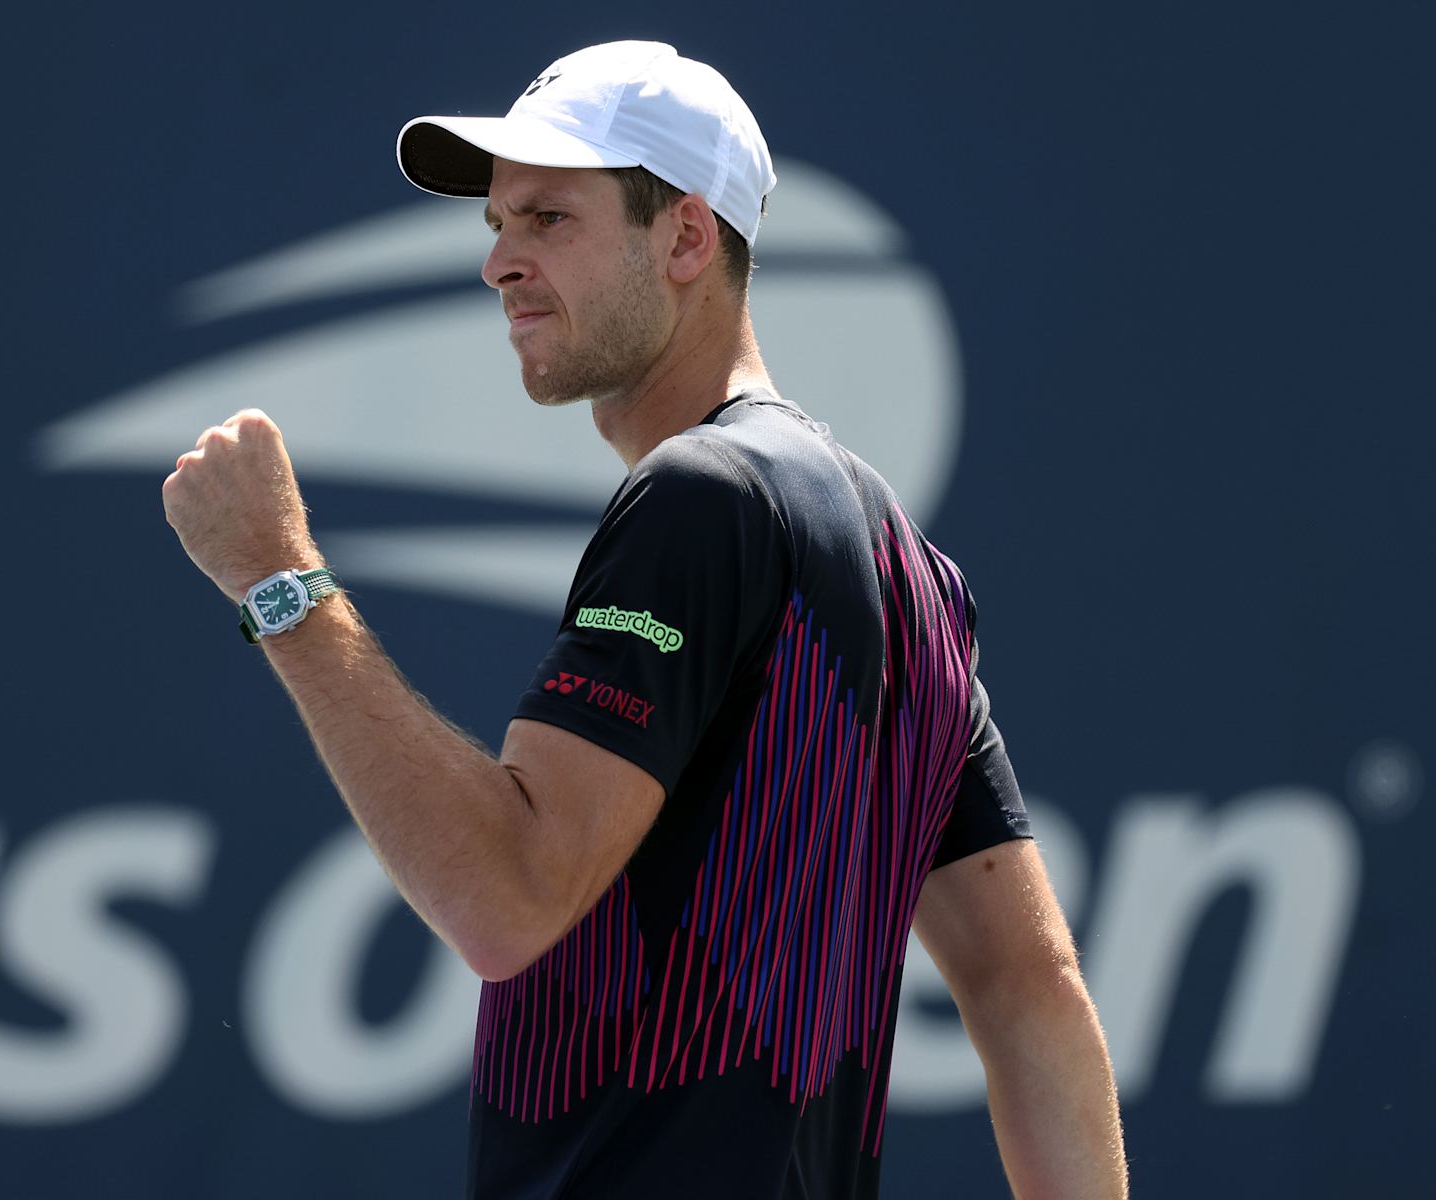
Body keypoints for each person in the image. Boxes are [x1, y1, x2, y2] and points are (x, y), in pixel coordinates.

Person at [163, 39, 1127, 1200]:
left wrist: (282, 584)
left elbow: (507, 897)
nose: (501, 263)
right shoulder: (911, 568)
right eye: (497, 224)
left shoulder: (702, 497)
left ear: (685, 237)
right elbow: (1033, 992)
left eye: (551, 219)